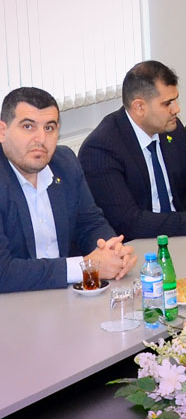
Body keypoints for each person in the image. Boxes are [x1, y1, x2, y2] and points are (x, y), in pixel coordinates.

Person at [80, 62, 186, 239]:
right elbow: (129, 222)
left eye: (175, 99)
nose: (176, 109)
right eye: (167, 103)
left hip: (181, 236)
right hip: (139, 246)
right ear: (139, 107)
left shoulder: (172, 130)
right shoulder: (101, 149)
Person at [0, 87, 136, 292]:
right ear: (2, 132)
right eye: (28, 126)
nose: (40, 139)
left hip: (67, 294)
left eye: (49, 128)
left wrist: (112, 250)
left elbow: (90, 223)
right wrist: (87, 267)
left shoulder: (64, 163)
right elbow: (3, 272)